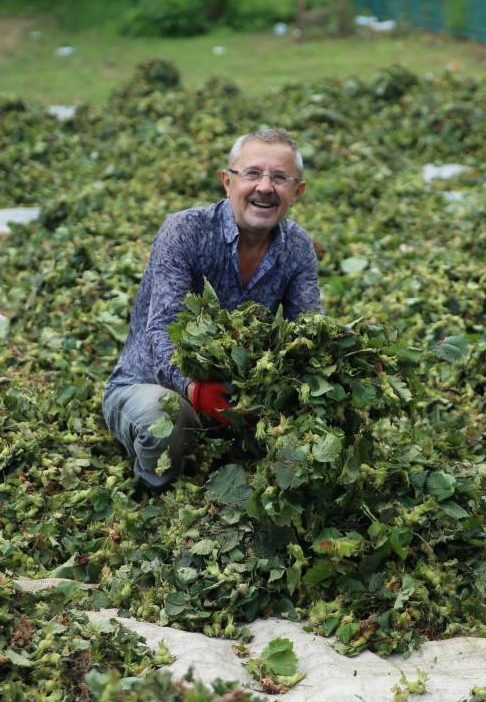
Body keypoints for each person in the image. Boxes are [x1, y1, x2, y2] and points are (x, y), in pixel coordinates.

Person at [103, 128, 322, 490]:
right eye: (252, 173)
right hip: (151, 385)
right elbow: (162, 329)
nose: (265, 187)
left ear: (297, 192)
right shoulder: (184, 231)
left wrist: (342, 363)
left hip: (236, 401)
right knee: (167, 418)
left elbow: (307, 331)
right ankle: (154, 497)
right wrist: (194, 390)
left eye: (279, 178)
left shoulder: (297, 247)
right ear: (227, 181)